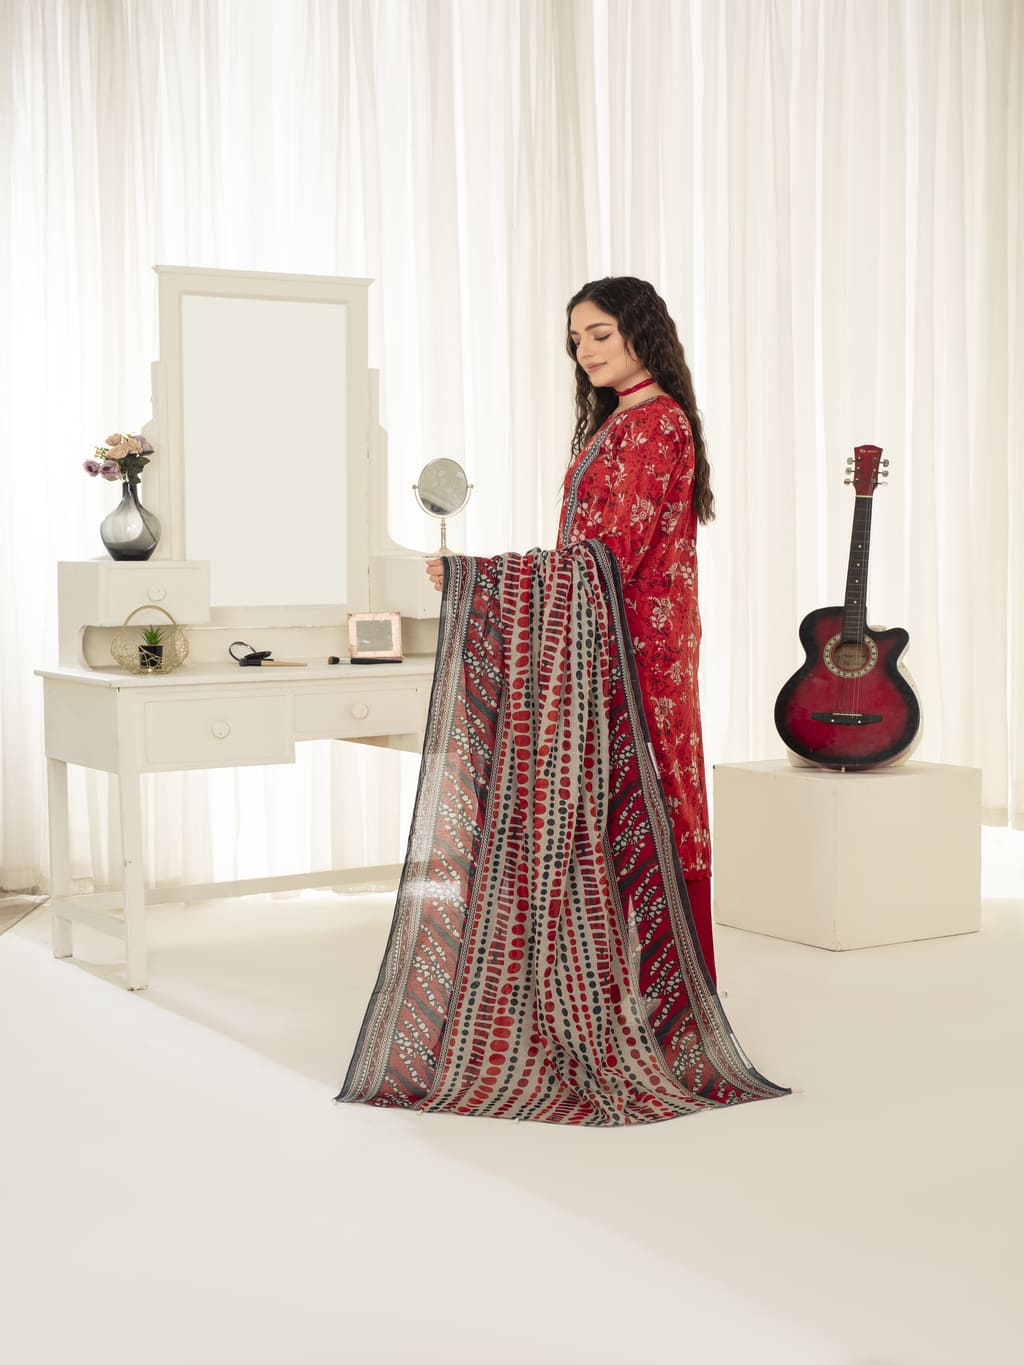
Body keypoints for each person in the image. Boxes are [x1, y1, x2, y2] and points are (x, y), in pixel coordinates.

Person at [428, 275, 717, 980]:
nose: (584, 349)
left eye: (600, 333)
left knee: (648, 801)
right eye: (576, 338)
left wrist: (483, 576)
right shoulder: (622, 419)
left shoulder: (656, 423)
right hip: (602, 641)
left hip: (638, 649)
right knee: (604, 806)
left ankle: (673, 997)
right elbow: (588, 553)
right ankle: (609, 991)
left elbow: (610, 555)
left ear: (640, 332)